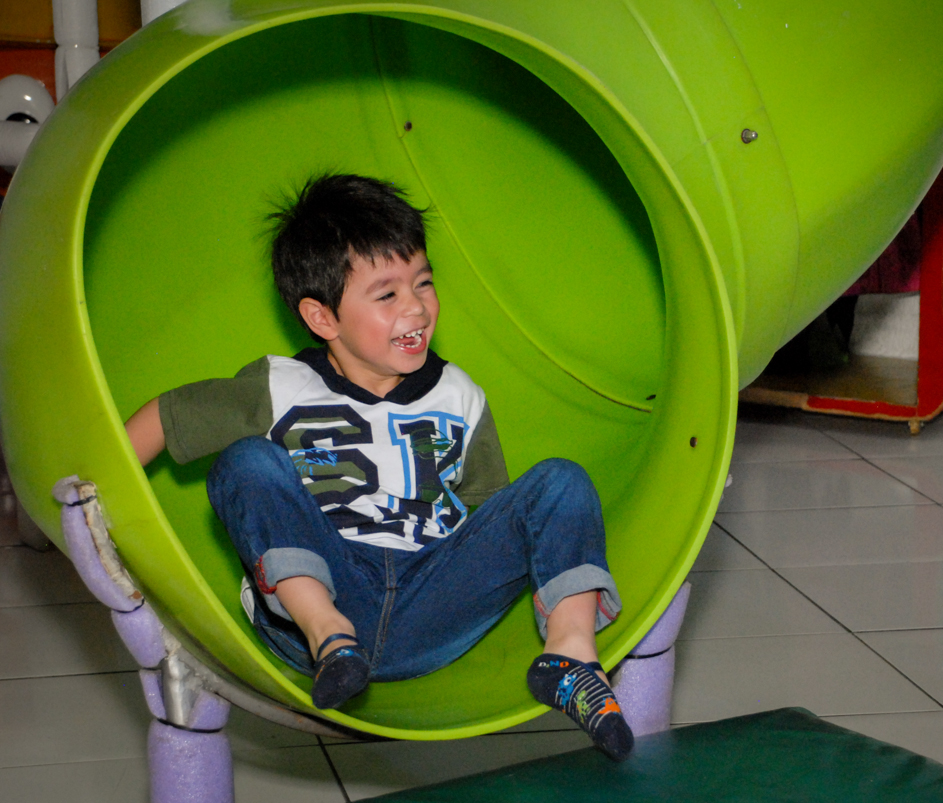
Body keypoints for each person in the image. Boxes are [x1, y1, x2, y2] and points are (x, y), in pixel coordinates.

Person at [122, 174, 633, 761]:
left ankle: (571, 655)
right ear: (322, 318)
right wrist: (92, 502)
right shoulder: (280, 384)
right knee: (247, 462)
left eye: (423, 282)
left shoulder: (460, 395)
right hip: (325, 587)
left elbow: (495, 515)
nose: (416, 306)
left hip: (433, 603)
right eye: (387, 295)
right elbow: (163, 418)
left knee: (560, 482)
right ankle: (327, 632)